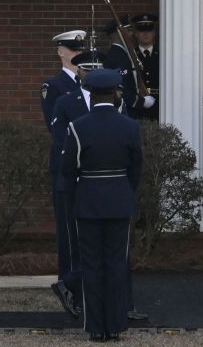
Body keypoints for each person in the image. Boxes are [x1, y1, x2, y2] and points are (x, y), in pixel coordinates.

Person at [67, 68, 143, 343]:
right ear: (115, 93)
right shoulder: (130, 127)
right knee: (115, 264)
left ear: (91, 93)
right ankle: (115, 326)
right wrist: (123, 191)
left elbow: (68, 170)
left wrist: (80, 195)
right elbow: (136, 169)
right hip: (119, 200)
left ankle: (96, 327)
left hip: (87, 200)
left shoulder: (78, 126)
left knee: (91, 265)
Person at [47, 48, 101, 318]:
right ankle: (71, 290)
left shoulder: (111, 101)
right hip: (71, 177)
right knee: (70, 238)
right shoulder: (67, 101)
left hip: (97, 181)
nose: (91, 74)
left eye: (96, 70)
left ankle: (94, 293)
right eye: (87, 69)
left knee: (94, 239)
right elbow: (61, 140)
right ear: (79, 72)